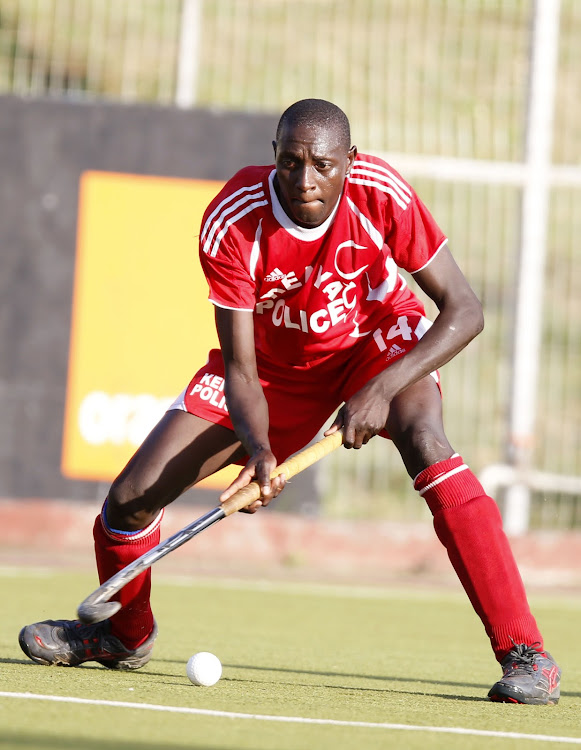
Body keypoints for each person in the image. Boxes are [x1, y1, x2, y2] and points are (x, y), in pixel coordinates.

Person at [19, 98, 560, 705]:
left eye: (323, 165)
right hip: (272, 371)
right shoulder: (234, 220)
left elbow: (465, 310)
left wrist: (378, 388)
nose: (306, 180)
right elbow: (242, 369)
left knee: (425, 440)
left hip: (376, 342)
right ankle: (124, 633)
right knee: (129, 499)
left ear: (349, 163)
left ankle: (527, 653)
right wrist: (259, 448)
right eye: (292, 162)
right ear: (273, 156)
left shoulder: (382, 193)